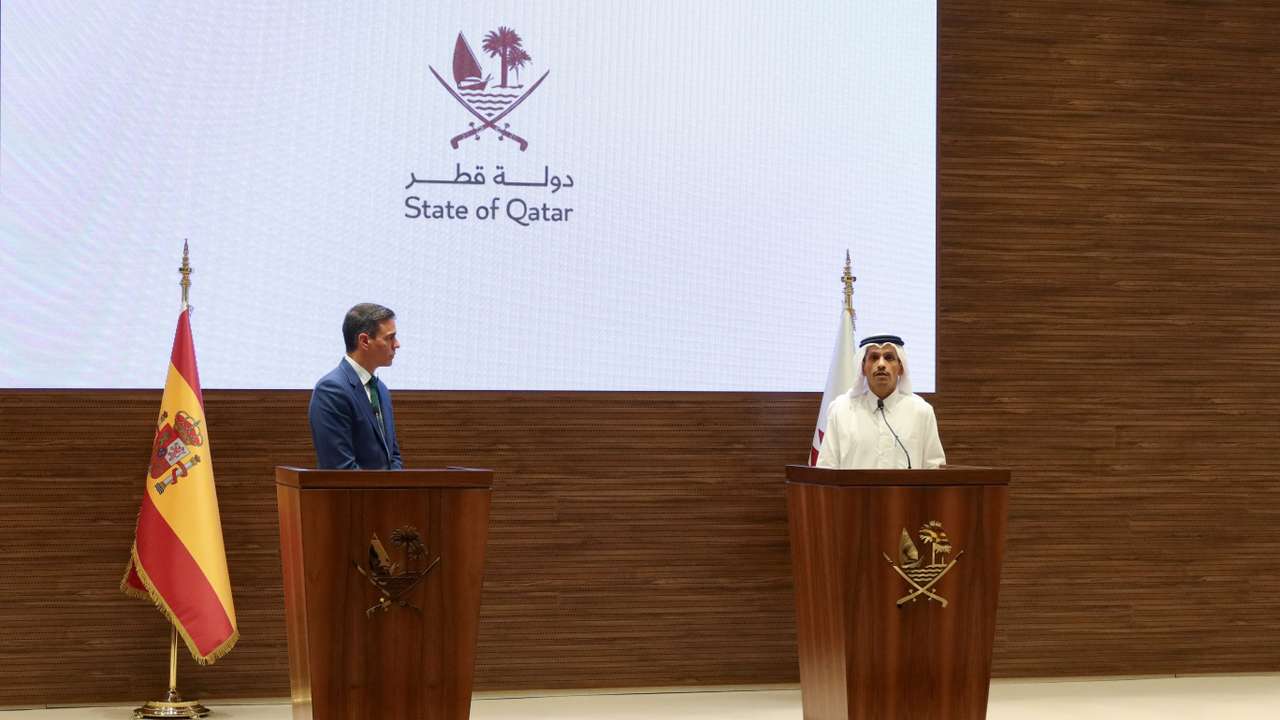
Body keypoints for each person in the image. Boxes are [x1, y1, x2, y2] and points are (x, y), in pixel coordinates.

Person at [815, 334, 945, 469]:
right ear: (863, 367)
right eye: (874, 358)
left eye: (889, 358)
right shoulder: (840, 410)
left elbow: (934, 468)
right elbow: (826, 469)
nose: (881, 364)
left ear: (901, 367)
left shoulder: (921, 411)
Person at [308, 303, 404, 469]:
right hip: (352, 495)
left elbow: (393, 457)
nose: (397, 344)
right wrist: (386, 493)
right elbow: (340, 469)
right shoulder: (332, 390)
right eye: (389, 337)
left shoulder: (381, 389)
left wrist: (397, 492)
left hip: (387, 494)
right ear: (364, 341)